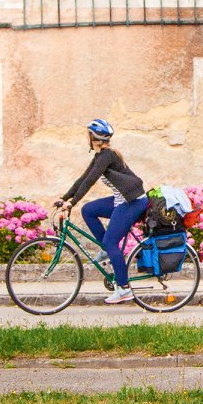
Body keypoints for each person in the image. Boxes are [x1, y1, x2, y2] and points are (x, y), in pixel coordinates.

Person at [55, 118, 148, 304]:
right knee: (88, 210)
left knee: (111, 241)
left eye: (88, 135)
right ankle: (107, 249)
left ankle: (124, 289)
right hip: (121, 201)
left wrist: (72, 203)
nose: (86, 138)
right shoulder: (100, 156)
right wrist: (65, 198)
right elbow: (84, 178)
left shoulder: (107, 156)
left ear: (94, 138)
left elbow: (90, 182)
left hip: (133, 203)